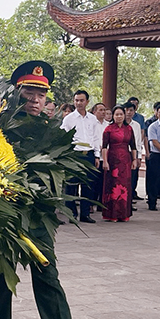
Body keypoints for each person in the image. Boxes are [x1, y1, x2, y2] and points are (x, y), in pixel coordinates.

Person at [0, 61, 94, 319]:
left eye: (40, 94)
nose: (35, 99)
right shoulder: (0, 127)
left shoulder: (54, 131)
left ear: (47, 99)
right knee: (0, 279)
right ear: (17, 93)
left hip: (39, 217)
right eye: (29, 92)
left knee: (48, 277)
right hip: (5, 215)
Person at [61, 89, 98, 223]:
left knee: (88, 186)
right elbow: (63, 138)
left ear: (87, 102)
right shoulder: (69, 119)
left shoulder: (93, 119)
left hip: (89, 154)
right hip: (74, 155)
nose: (79, 103)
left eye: (82, 100)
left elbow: (96, 138)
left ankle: (85, 214)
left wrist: (97, 156)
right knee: (71, 185)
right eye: (76, 100)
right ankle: (72, 214)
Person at [101, 105, 140, 222]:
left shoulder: (129, 129)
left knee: (125, 186)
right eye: (116, 114)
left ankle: (124, 214)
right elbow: (104, 147)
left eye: (121, 114)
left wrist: (134, 159)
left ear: (124, 115)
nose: (119, 116)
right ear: (113, 116)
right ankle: (112, 214)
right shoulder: (108, 129)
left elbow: (133, 146)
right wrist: (105, 161)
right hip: (112, 159)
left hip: (125, 161)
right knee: (113, 186)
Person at [124, 100, 147, 201]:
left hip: (132, 153)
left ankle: (129, 200)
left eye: (131, 110)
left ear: (134, 112)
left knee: (132, 178)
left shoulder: (136, 125)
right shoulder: (118, 124)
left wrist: (138, 157)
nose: (129, 112)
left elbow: (138, 142)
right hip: (120, 153)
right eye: (126, 110)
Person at [91, 102, 109, 205]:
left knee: (103, 182)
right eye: (100, 110)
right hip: (95, 156)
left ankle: (101, 203)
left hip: (106, 157)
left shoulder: (108, 125)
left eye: (104, 110)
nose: (103, 112)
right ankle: (91, 203)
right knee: (93, 181)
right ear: (94, 112)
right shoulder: (92, 123)